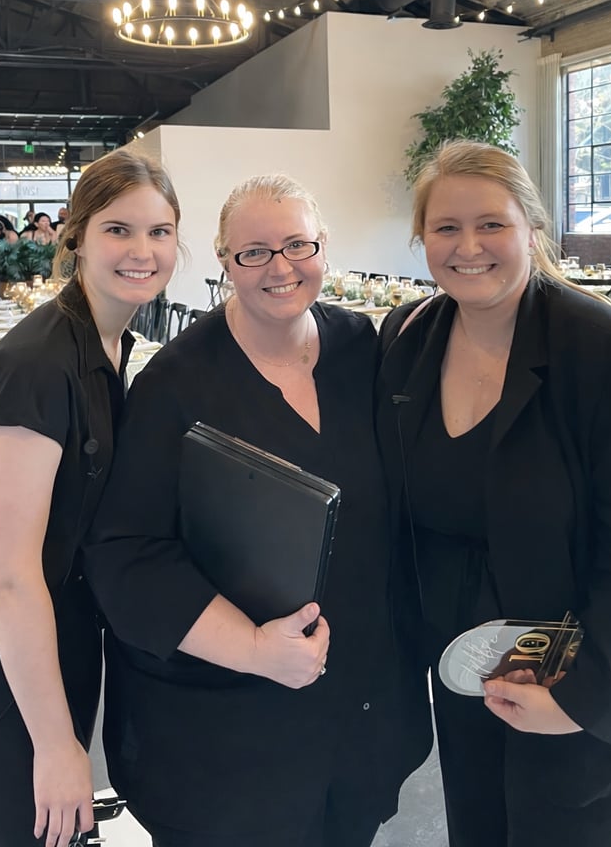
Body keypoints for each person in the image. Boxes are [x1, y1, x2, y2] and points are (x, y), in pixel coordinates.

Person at [84, 173, 432, 847]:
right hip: (226, 735)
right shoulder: (177, 384)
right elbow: (127, 553)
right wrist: (250, 649)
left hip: (357, 714)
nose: (281, 267)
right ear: (223, 262)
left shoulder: (364, 350)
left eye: (298, 244)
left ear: (325, 248)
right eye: (254, 252)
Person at [375, 139, 611, 847]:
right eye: (445, 227)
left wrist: (578, 698)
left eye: (492, 224)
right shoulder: (409, 337)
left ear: (532, 230)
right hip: (467, 665)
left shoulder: (608, 354)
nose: (468, 246)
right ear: (422, 236)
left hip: (586, 667)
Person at [0, 150, 181, 847]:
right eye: (119, 230)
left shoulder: (107, 340)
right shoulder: (40, 365)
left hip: (54, 638)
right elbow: (6, 577)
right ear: (76, 236)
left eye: (159, 232)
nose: (142, 250)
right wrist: (59, 743)